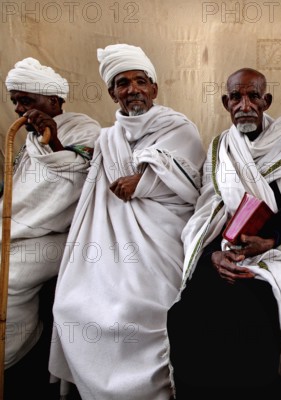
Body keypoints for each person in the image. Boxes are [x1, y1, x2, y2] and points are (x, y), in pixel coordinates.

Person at [48, 44, 206, 400]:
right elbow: (94, 188)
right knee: (72, 305)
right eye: (122, 83)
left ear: (154, 88)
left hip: (163, 234)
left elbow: (190, 183)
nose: (132, 89)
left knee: (142, 308)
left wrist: (144, 181)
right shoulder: (108, 137)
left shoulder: (178, 127)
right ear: (112, 92)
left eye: (139, 81)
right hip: (112, 237)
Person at [166, 67, 281, 400]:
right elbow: (207, 211)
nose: (245, 104)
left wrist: (269, 241)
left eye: (254, 96)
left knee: (248, 317)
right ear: (226, 102)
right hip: (229, 250)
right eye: (236, 97)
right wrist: (213, 254)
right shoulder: (221, 148)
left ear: (266, 101)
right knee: (187, 313)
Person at [2, 57, 101, 399]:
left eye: (26, 100)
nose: (19, 109)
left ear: (54, 101)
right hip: (15, 229)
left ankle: (15, 348)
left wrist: (54, 142)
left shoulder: (85, 129)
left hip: (58, 237)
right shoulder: (27, 139)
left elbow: (81, 176)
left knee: (8, 277)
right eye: (15, 101)